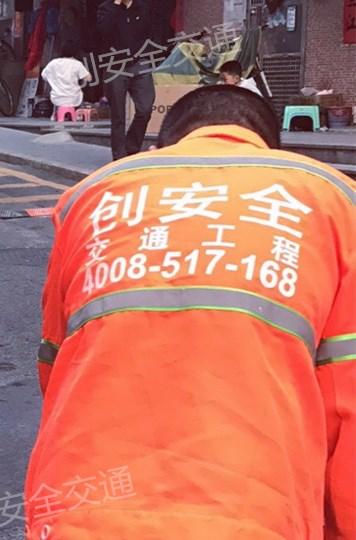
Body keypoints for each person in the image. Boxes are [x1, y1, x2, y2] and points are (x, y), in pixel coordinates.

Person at [28, 85, 356, 538]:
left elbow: (54, 361)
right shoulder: (333, 200)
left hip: (81, 508)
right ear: (271, 149)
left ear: (167, 146)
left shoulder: (94, 195)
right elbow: (344, 396)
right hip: (250, 513)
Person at [97, 0, 157, 160]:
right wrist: (116, 5)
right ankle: (119, 157)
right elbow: (103, 31)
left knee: (145, 108)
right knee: (118, 115)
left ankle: (131, 148)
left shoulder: (142, 7)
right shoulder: (106, 8)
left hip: (140, 63)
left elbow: (152, 31)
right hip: (115, 66)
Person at [40, 40, 92, 111]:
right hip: (74, 99)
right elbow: (88, 78)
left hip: (57, 98)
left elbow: (44, 76)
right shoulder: (77, 64)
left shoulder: (53, 63)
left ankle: (56, 113)